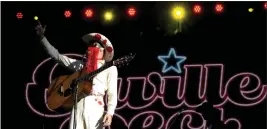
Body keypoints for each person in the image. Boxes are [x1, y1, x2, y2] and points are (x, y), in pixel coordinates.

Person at [35, 21, 118, 129]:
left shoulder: (110, 69)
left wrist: (110, 113)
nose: (91, 48)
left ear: (103, 51)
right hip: (78, 105)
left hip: (95, 108)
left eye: (95, 45)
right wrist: (42, 38)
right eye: (90, 45)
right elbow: (58, 57)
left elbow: (112, 93)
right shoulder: (80, 66)